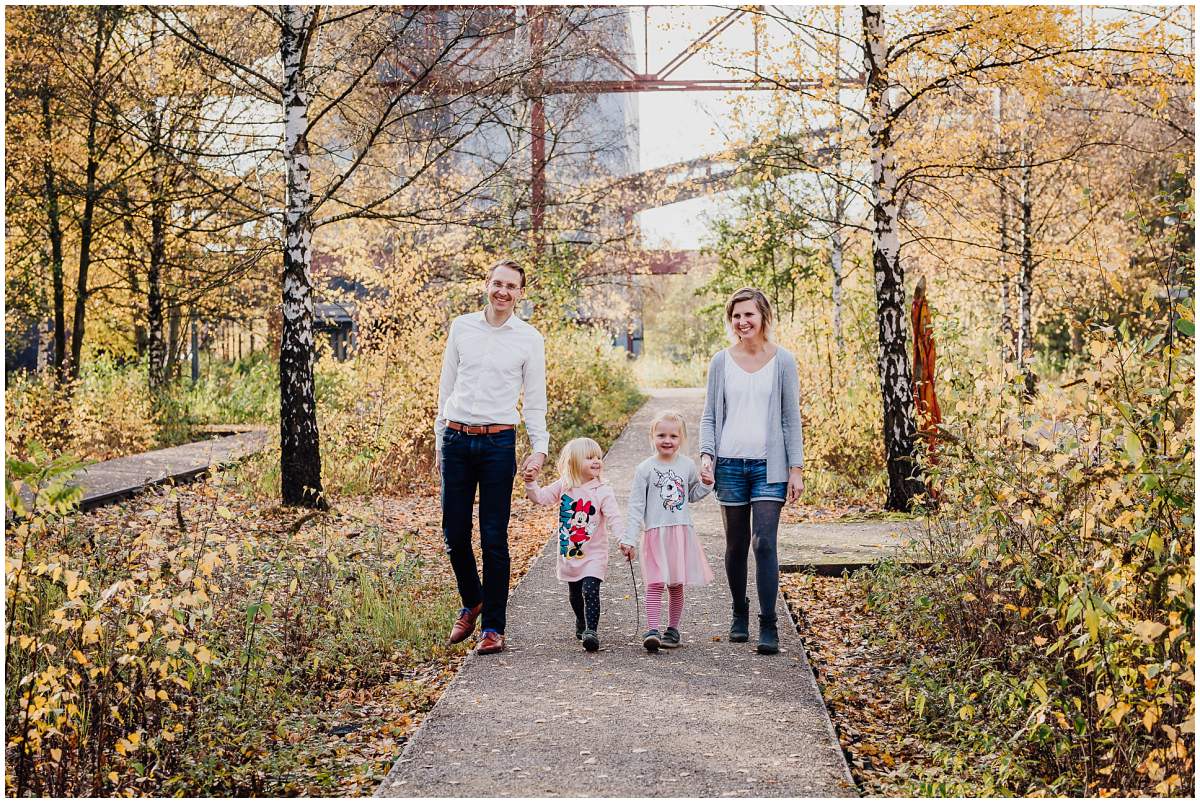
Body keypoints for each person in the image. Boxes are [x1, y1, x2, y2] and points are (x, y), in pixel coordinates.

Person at [435, 258, 548, 655]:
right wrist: (439, 442)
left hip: (499, 444)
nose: (503, 291)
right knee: (453, 534)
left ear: (520, 293)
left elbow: (535, 401)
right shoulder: (462, 327)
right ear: (487, 284)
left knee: (494, 538)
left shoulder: (529, 338)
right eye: (497, 283)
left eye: (511, 286)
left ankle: (492, 628)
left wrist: (539, 448)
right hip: (457, 439)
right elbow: (445, 387)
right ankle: (473, 599)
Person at [699, 287, 804, 655]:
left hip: (768, 467)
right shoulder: (720, 361)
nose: (742, 322)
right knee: (736, 544)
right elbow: (710, 414)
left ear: (763, 317)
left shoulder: (783, 361)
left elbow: (791, 419)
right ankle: (739, 613)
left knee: (764, 543)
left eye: (749, 315)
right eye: (736, 316)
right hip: (728, 465)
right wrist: (707, 455)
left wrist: (796, 468)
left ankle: (769, 623)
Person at [621, 410, 714, 653]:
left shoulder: (686, 465)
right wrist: (629, 538)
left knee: (675, 584)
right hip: (654, 534)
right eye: (661, 434)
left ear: (681, 438)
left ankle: (672, 629)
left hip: (680, 534)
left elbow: (691, 495)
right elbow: (636, 506)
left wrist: (706, 484)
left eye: (673, 435)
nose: (667, 440)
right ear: (652, 436)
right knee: (654, 582)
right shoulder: (645, 469)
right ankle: (652, 630)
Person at [524, 438, 623, 652]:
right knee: (575, 593)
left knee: (590, 589)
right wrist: (531, 483)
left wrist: (623, 539)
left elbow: (614, 517)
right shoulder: (564, 486)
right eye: (589, 458)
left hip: (595, 553)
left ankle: (591, 631)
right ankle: (581, 620)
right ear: (574, 463)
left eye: (598, 457)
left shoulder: (603, 490)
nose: (596, 461)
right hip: (570, 553)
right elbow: (540, 498)